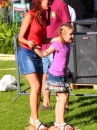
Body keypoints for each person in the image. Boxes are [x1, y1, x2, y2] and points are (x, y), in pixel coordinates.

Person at [17, 0, 58, 129]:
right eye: (47, 1)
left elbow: (44, 39)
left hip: (38, 53)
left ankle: (33, 119)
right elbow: (20, 37)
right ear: (39, 2)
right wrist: (28, 42)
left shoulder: (43, 17)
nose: (50, 3)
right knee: (35, 85)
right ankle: (35, 119)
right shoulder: (30, 15)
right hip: (26, 53)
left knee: (39, 87)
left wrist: (60, 38)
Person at [34, 23, 74, 130]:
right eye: (71, 34)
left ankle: (57, 122)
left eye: (73, 34)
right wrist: (34, 47)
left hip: (63, 75)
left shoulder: (67, 43)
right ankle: (62, 123)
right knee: (63, 97)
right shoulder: (57, 44)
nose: (72, 36)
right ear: (63, 34)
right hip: (55, 75)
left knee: (59, 99)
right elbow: (43, 54)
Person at [39, 0, 71, 112]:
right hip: (45, 47)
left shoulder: (60, 3)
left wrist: (61, 40)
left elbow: (67, 25)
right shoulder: (42, 4)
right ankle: (46, 103)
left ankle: (65, 105)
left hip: (58, 47)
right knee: (45, 76)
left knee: (61, 76)